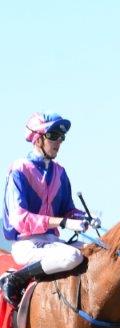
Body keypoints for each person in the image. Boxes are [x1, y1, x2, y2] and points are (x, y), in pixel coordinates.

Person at [1, 112, 99, 305]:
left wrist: (86, 217)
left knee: (97, 250)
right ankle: (15, 279)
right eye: (53, 136)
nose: (59, 141)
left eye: (61, 137)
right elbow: (19, 219)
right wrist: (62, 222)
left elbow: (67, 211)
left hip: (53, 243)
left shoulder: (60, 172)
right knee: (72, 256)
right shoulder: (19, 169)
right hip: (27, 244)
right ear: (37, 139)